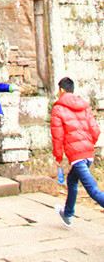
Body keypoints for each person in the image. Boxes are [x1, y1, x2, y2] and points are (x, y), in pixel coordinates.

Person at [50, 76, 103, 227]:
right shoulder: (84, 106)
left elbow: (57, 137)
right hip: (88, 154)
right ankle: (67, 213)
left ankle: (67, 213)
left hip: (77, 157)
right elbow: (96, 131)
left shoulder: (58, 109)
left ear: (61, 90)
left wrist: (58, 157)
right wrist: (87, 144)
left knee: (93, 191)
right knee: (72, 180)